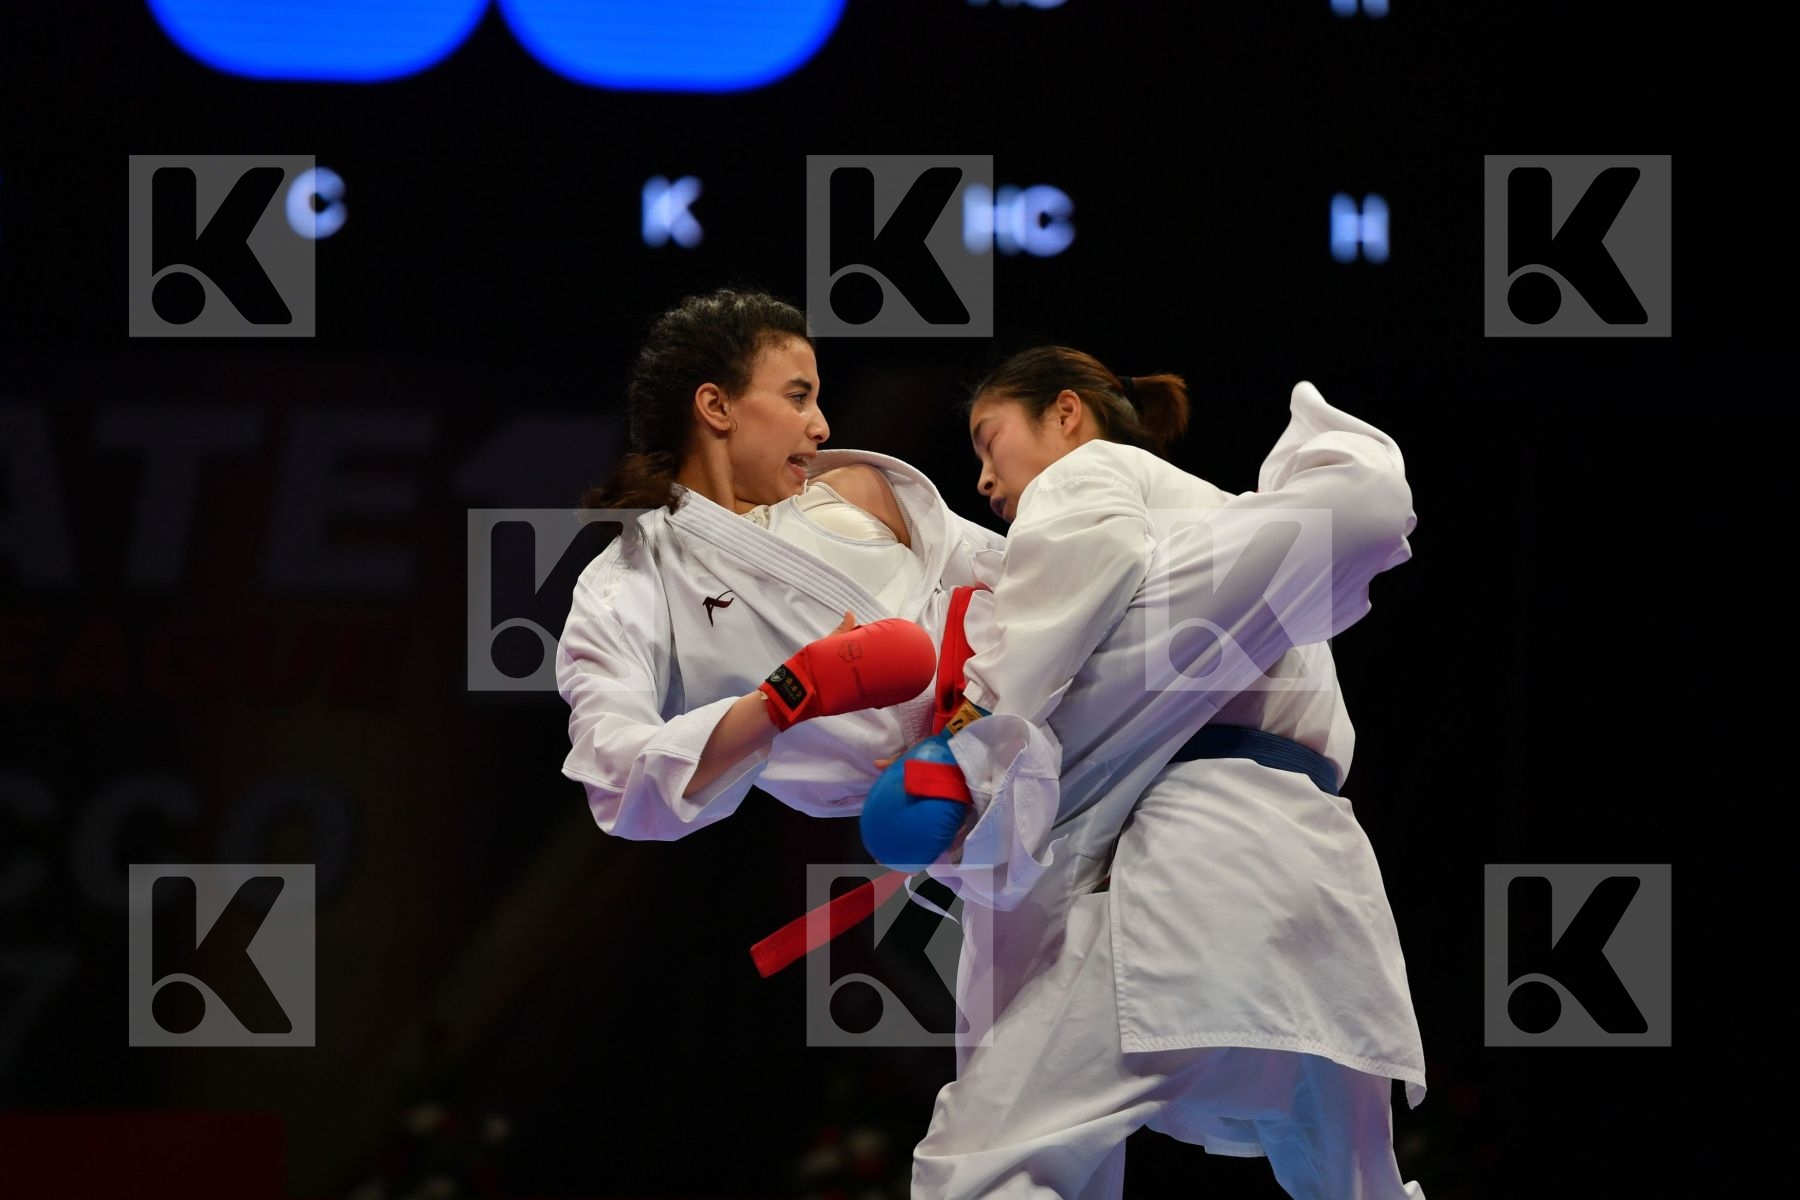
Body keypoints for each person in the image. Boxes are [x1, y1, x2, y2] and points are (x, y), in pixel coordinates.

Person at [861, 347, 1426, 1198]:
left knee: (982, 1160)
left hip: (1203, 868)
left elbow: (1071, 585)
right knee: (1354, 1187)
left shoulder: (1090, 473)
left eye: (989, 440)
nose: (984, 477)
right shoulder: (1233, 534)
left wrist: (966, 734)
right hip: (1330, 888)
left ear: (1065, 415)